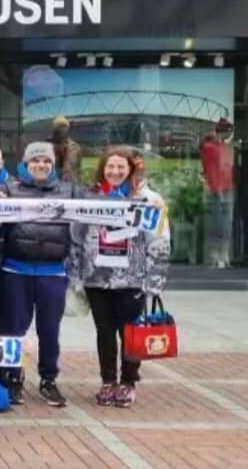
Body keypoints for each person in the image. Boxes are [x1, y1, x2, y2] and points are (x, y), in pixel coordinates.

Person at [68, 146, 170, 408]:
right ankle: (107, 381)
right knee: (104, 332)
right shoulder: (90, 198)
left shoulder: (146, 200)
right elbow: (75, 238)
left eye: (120, 167)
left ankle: (128, 382)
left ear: (130, 169)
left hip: (132, 279)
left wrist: (154, 281)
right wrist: (75, 276)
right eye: (110, 167)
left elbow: (159, 241)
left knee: (130, 333)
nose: (114, 172)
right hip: (97, 278)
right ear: (103, 168)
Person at [0, 141, 81, 407]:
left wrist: (138, 207)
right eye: (35, 161)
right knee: (13, 329)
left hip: (52, 272)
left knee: (50, 331)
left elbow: (99, 204)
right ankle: (12, 376)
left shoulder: (68, 190)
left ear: (53, 165)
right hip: (16, 269)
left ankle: (48, 380)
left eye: (46, 162)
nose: (41, 166)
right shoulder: (9, 187)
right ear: (25, 164)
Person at [200, 118, 235, 268]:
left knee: (224, 225)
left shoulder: (223, 147)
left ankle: (223, 257)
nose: (227, 136)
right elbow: (213, 169)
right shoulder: (211, 147)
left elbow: (227, 169)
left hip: (225, 188)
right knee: (216, 224)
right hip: (217, 189)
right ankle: (215, 257)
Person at [48, 115, 81, 183]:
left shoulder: (73, 147)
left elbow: (71, 168)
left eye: (64, 127)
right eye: (59, 127)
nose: (62, 130)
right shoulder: (48, 146)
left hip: (68, 184)